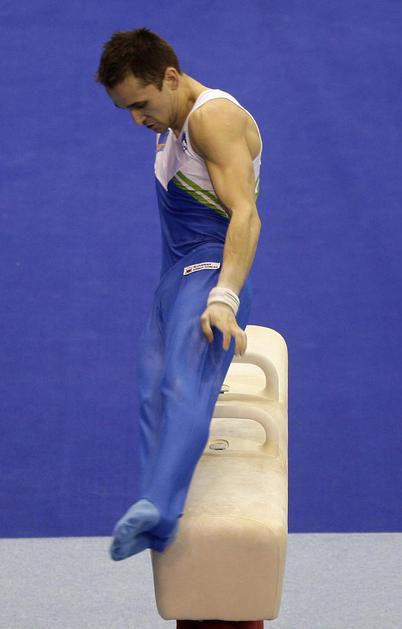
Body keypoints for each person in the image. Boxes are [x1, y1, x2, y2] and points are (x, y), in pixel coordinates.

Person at [95, 27, 262, 562]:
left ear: (171, 77)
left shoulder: (214, 117)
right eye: (125, 109)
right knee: (151, 392)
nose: (135, 119)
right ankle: (156, 512)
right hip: (173, 280)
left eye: (140, 104)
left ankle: (162, 507)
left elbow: (246, 214)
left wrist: (225, 298)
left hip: (210, 271)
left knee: (181, 383)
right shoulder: (170, 127)